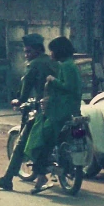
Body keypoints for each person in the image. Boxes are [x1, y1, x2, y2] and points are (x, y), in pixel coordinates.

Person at [0, 34, 57, 191]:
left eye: (28, 52)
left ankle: (7, 179)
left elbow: (25, 89)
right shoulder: (53, 62)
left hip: (44, 109)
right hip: (60, 107)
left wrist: (18, 100)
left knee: (21, 142)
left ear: (37, 50)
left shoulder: (34, 65)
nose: (26, 55)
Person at [28, 36, 82, 194]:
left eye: (52, 50)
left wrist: (52, 80)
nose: (50, 53)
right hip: (70, 108)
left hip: (61, 111)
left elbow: (68, 87)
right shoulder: (70, 65)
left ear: (59, 51)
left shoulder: (66, 66)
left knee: (41, 139)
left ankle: (41, 177)